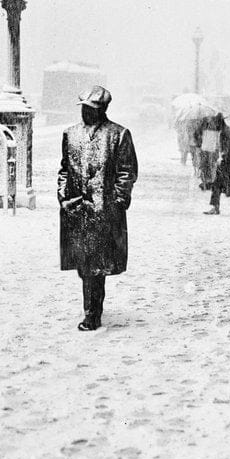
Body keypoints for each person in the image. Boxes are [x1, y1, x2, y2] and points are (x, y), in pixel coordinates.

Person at [58, 86, 138, 332]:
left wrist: (118, 200)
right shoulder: (70, 134)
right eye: (83, 107)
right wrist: (63, 196)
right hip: (76, 211)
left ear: (102, 110)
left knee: (95, 265)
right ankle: (92, 306)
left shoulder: (118, 135)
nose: (85, 112)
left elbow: (127, 172)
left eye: (91, 108)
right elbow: (64, 170)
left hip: (104, 212)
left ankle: (92, 314)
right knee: (84, 265)